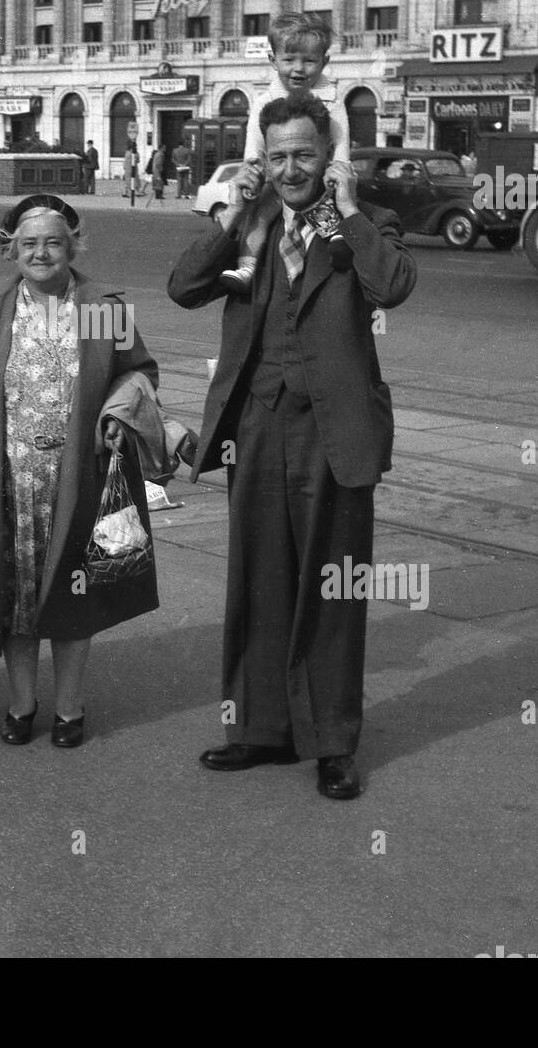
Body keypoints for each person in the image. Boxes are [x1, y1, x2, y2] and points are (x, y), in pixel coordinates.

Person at [167, 91, 416, 800]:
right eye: (276, 156)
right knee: (259, 579)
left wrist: (352, 210)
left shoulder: (362, 223)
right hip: (259, 425)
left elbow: (392, 284)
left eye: (304, 153)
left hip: (336, 431)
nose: (290, 168)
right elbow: (182, 287)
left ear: (328, 153)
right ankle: (258, 727)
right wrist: (233, 216)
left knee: (334, 587)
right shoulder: (248, 221)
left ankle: (333, 742)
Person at [0, 195, 160, 749]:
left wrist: (120, 410)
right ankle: (22, 704)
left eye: (54, 241)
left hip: (80, 477)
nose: (42, 252)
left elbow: (139, 371)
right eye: (29, 243)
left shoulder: (102, 306)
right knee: (15, 595)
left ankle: (71, 710)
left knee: (74, 596)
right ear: (11, 250)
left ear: (73, 244)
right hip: (8, 481)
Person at [220, 12, 351, 291]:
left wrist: (339, 169)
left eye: (309, 61)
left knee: (330, 201)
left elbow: (341, 143)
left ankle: (337, 239)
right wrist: (252, 172)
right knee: (259, 215)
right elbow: (254, 144)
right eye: (289, 60)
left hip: (319, 177)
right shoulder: (265, 100)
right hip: (276, 175)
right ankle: (247, 266)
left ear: (325, 62)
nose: (298, 69)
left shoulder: (333, 101)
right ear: (273, 60)